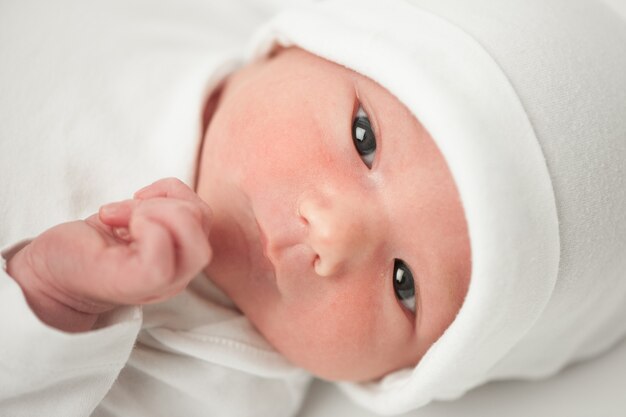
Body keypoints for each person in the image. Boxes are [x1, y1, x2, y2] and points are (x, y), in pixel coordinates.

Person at [2, 0, 626, 416]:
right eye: (364, 139)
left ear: (399, 379)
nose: (334, 236)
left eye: (404, 285)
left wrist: (55, 302)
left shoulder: (219, 380)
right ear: (298, 44)